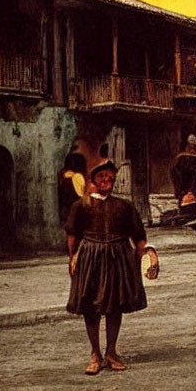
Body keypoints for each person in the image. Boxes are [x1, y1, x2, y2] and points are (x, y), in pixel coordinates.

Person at [65, 160, 148, 375]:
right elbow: (72, 234)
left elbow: (138, 235)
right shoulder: (80, 206)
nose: (107, 181)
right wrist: (72, 257)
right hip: (90, 257)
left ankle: (111, 352)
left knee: (115, 305)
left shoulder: (124, 206)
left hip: (118, 257)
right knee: (90, 307)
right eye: (102, 177)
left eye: (110, 177)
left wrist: (147, 256)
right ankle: (95, 354)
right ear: (93, 180)